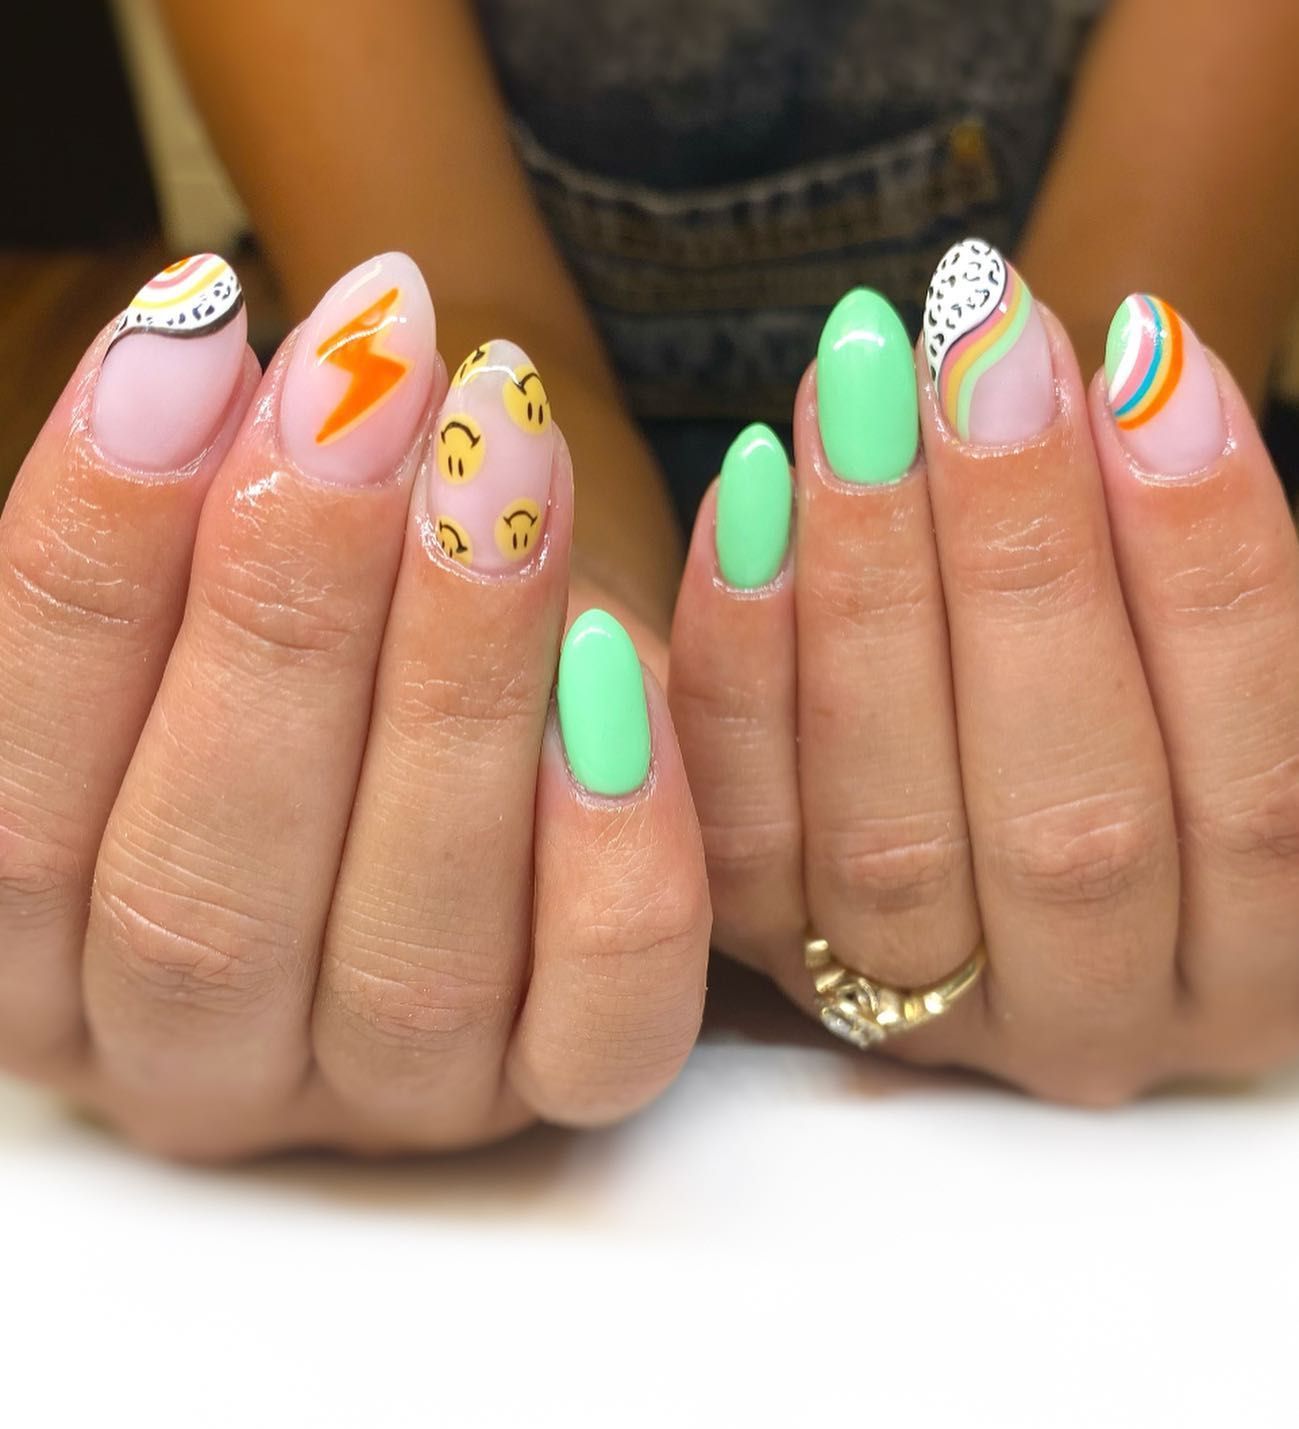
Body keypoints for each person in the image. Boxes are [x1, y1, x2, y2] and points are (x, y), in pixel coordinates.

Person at [0, 0, 1297, 1158]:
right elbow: (469, 303)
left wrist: (1093, 524)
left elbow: (1138, 308)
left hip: (1076, 493)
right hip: (458, 457)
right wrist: (551, 573)